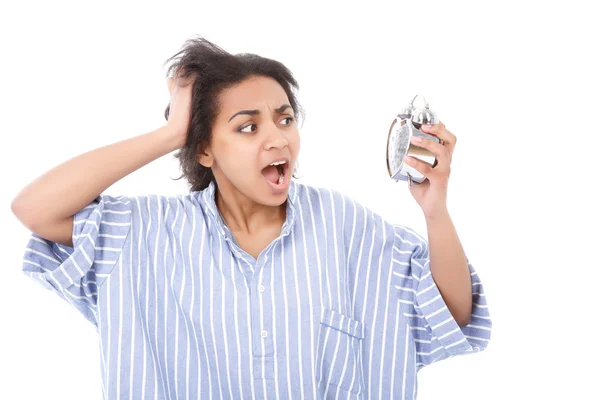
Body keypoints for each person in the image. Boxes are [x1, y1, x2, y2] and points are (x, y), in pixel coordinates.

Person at [12, 36, 492, 399]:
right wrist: (171, 132)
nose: (279, 139)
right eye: (248, 127)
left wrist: (435, 209)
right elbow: (34, 209)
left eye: (285, 119)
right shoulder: (142, 234)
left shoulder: (348, 228)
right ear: (203, 149)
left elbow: (451, 315)